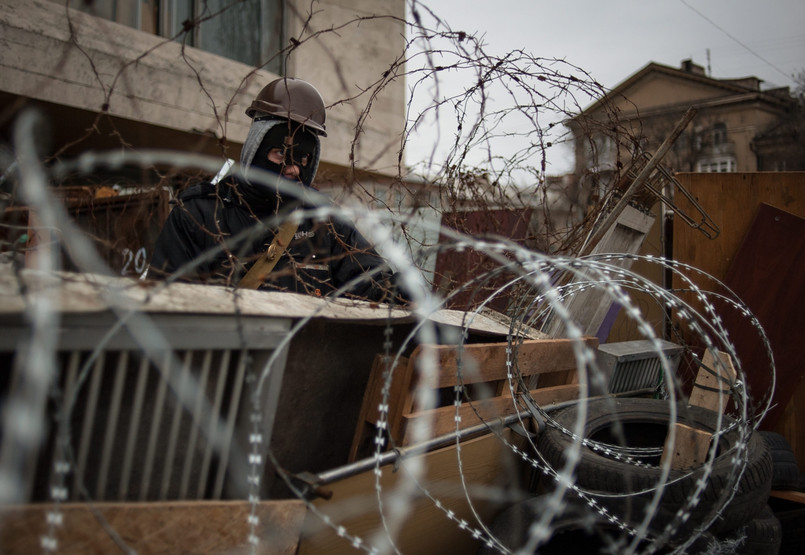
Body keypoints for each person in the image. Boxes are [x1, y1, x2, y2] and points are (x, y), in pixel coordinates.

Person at [148, 77, 402, 303]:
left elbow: (370, 283)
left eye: (303, 159)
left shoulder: (325, 224)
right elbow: (165, 306)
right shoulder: (199, 216)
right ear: (255, 150)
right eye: (282, 154)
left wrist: (399, 291)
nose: (293, 169)